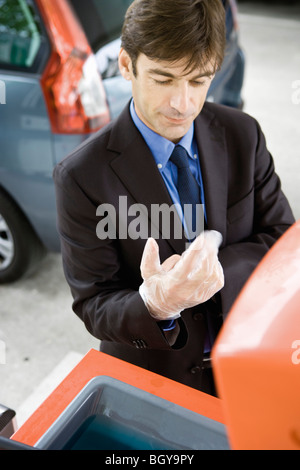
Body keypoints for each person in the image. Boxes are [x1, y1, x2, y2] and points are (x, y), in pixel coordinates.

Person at [53, 0, 295, 396]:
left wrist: (214, 264)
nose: (182, 104)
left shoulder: (243, 135)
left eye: (198, 80)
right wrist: (155, 305)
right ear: (128, 65)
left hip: (246, 359)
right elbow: (95, 303)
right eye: (163, 79)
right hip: (154, 378)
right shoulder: (82, 176)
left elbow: (284, 240)